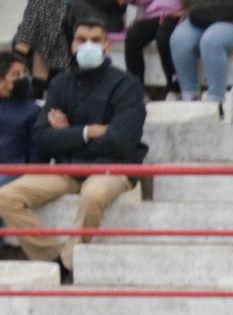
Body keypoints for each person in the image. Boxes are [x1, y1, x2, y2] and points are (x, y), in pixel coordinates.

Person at [0, 19, 146, 277]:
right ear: (72, 45)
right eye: (81, 39)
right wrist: (88, 132)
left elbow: (121, 140)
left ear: (107, 46)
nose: (88, 45)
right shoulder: (60, 84)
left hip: (112, 168)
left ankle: (65, 263)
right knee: (5, 196)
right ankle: (56, 256)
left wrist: (68, 133)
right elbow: (42, 137)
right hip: (68, 167)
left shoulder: (127, 86)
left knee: (94, 195)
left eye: (95, 40)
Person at [15, 0, 142, 96]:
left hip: (98, 19)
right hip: (55, 16)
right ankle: (41, 85)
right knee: (48, 6)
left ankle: (19, 56)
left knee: (49, 7)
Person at [115, 0, 185, 99]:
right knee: (134, 35)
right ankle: (137, 91)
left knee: (164, 36)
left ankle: (174, 88)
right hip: (157, 13)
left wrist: (189, 9)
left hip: (180, 14)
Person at [0, 54, 39, 189]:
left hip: (15, 171)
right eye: (16, 75)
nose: (23, 78)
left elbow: (36, 153)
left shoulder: (32, 110)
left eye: (24, 73)